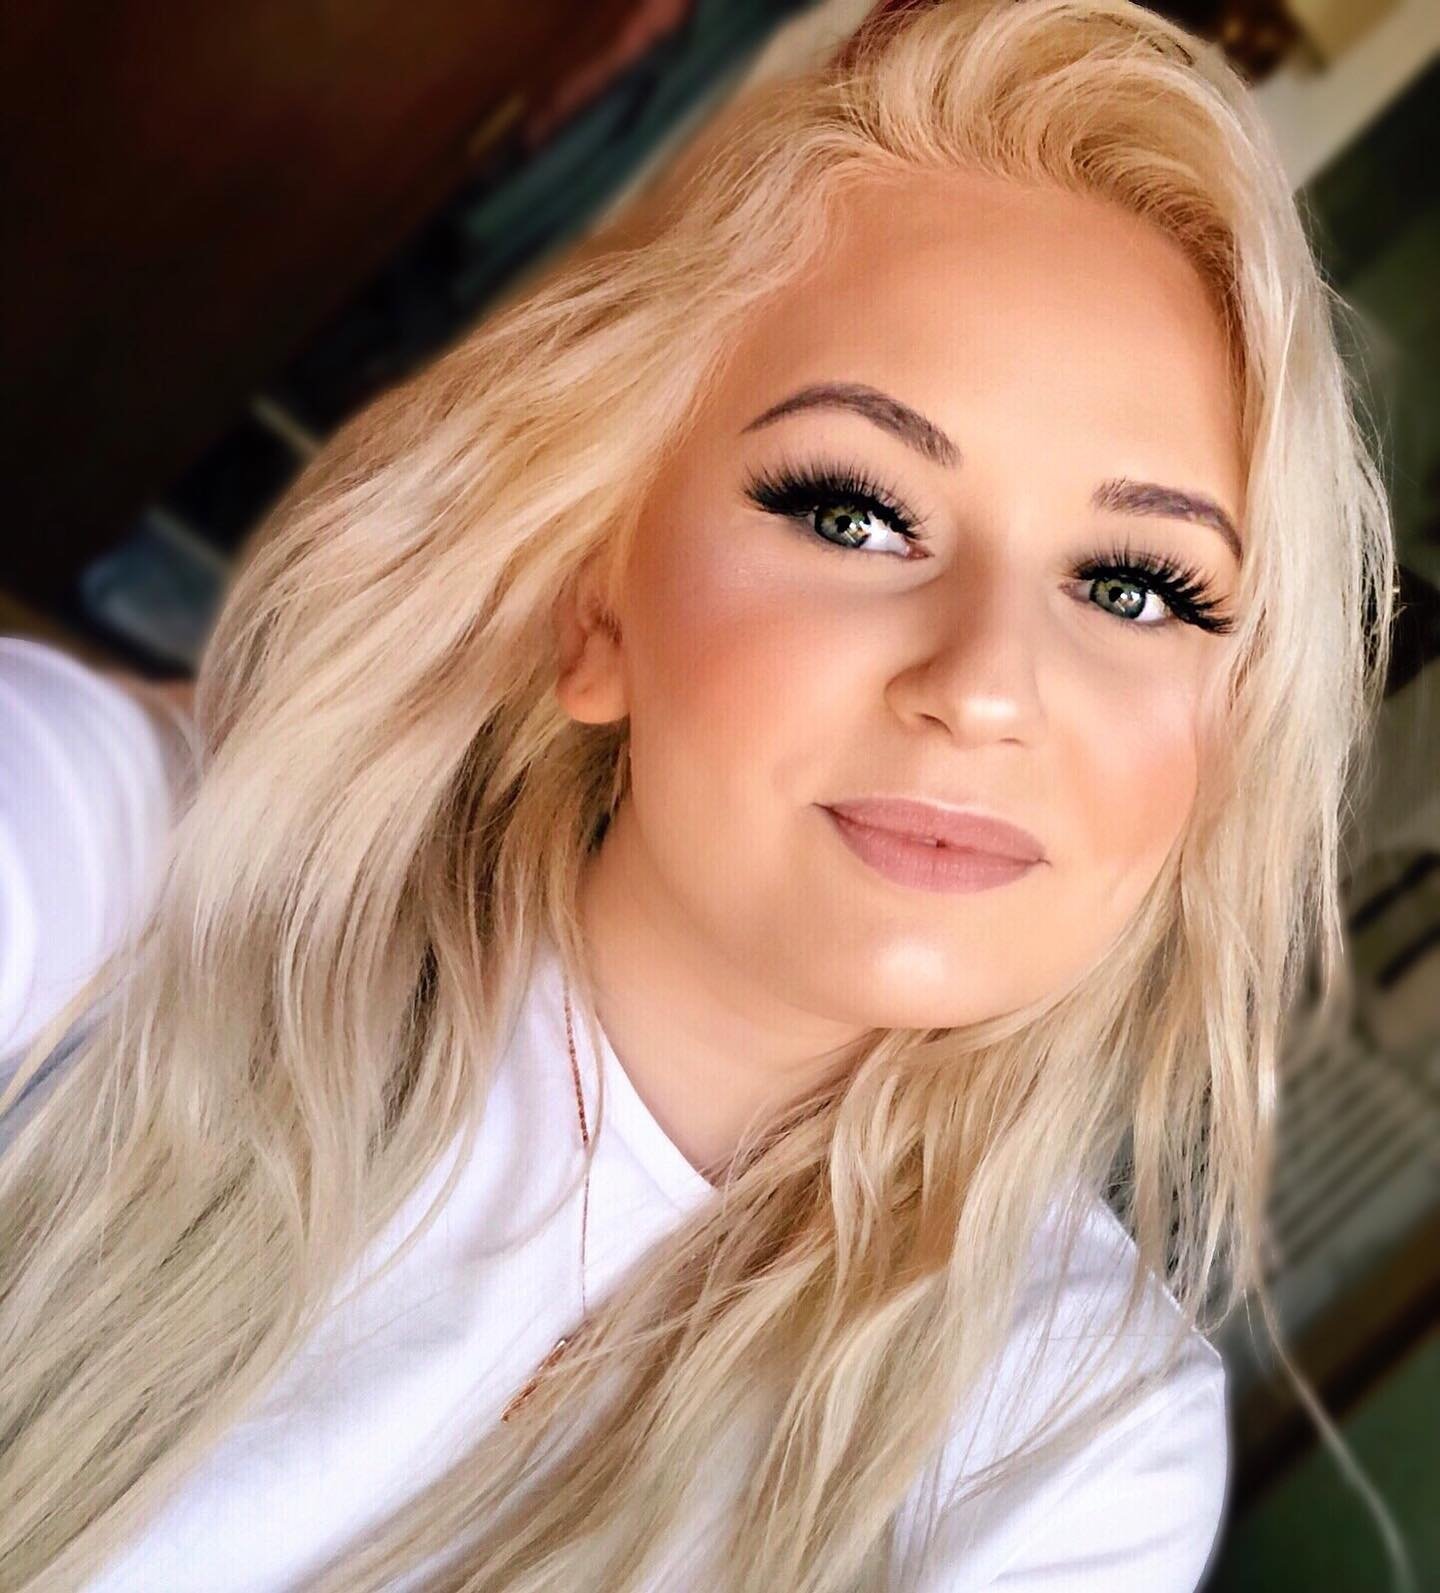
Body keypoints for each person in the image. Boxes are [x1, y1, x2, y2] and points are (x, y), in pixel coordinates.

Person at [0, 1, 1397, 1589]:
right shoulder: (112, 853)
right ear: (596, 602)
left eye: (1137, 587)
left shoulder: (1081, 1439)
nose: (989, 684)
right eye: (855, 513)